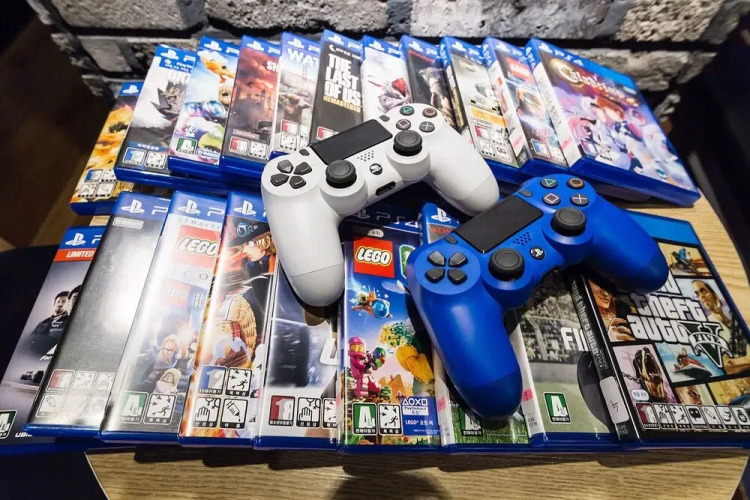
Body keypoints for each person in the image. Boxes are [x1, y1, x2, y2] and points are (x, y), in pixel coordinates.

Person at [29, 290, 70, 355]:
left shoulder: (68, 321)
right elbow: (30, 339)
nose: (60, 304)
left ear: (68, 304)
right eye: (58, 302)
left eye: (63, 302)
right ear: (54, 304)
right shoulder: (43, 322)